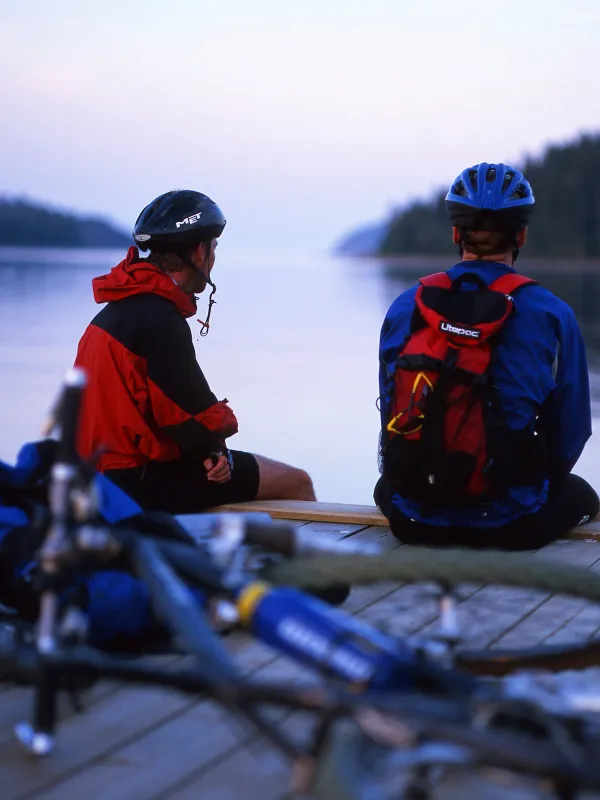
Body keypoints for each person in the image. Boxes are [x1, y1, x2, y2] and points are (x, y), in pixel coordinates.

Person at [375, 162, 599, 550]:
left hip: (413, 521)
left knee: (384, 488)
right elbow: (571, 433)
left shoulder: (404, 306)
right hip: (510, 526)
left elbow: (389, 417)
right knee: (584, 496)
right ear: (522, 236)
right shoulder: (551, 312)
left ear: (455, 233)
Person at [74, 189, 315, 514]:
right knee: (296, 482)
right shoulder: (159, 319)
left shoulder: (114, 311)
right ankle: (309, 563)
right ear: (200, 252)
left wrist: (209, 448)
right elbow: (191, 415)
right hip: (135, 483)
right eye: (214, 247)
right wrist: (215, 449)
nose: (214, 257)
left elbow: (163, 411)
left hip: (92, 477)